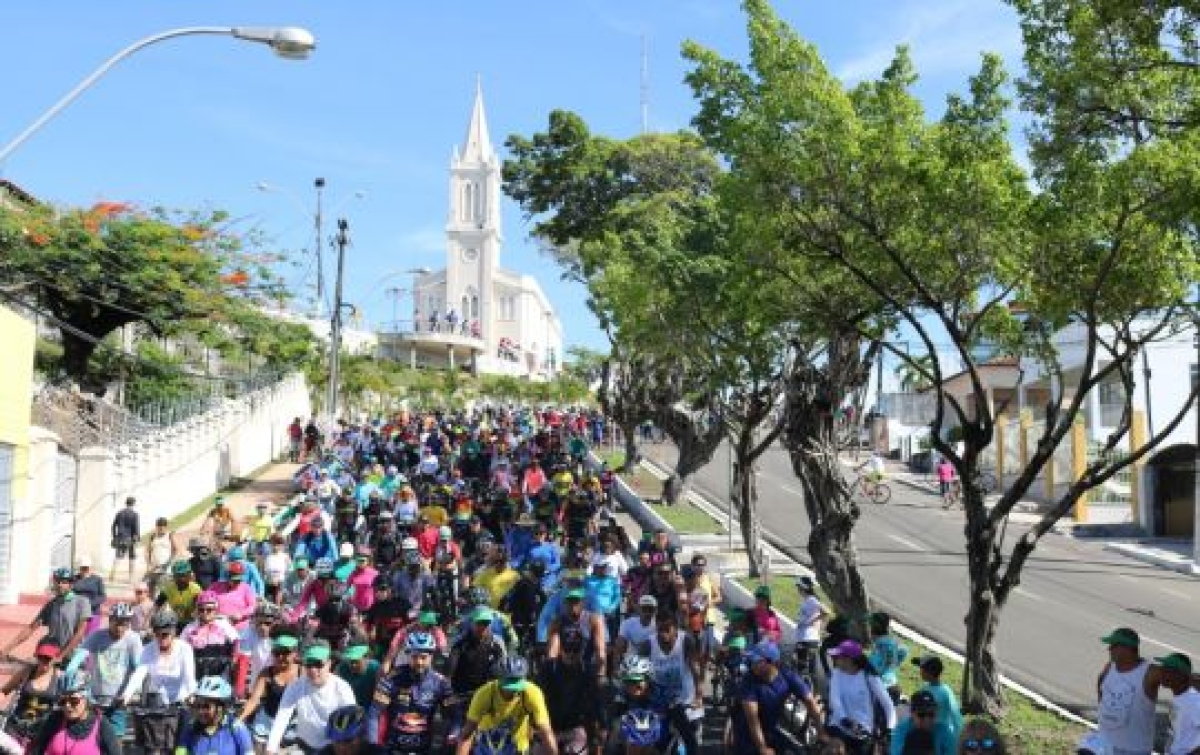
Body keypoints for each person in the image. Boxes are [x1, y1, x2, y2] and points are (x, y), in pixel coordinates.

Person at [729, 640, 823, 755]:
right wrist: (762, 747)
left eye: (756, 661)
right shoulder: (748, 681)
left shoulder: (787, 674)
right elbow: (752, 719)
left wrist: (821, 733)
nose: (752, 664)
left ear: (771, 662)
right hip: (747, 731)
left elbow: (809, 701)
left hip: (771, 729)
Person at [1077, 627, 1158, 755]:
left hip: (1134, 750)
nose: (1109, 649)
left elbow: (1179, 679)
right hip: (1105, 745)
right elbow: (1101, 681)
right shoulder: (1110, 666)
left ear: (1127, 648)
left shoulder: (1149, 672)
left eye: (1114, 645)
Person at [266, 641, 358, 753]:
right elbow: (282, 717)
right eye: (309, 664)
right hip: (304, 745)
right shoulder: (295, 686)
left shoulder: (342, 688)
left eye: (318, 664)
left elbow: (350, 726)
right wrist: (270, 749)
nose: (313, 670)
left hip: (333, 747)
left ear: (329, 663)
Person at [369, 632, 454, 753]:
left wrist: (451, 737)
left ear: (432, 657)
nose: (419, 662)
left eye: (423, 657)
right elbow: (374, 713)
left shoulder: (441, 683)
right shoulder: (391, 678)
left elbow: (454, 715)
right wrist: (373, 745)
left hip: (424, 749)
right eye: (414, 657)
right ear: (408, 655)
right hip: (393, 748)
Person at [456, 656, 558, 755]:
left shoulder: (533, 693)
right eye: (508, 686)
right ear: (498, 678)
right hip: (486, 748)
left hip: (518, 749)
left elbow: (546, 732)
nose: (512, 691)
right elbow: (467, 734)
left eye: (516, 685)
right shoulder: (484, 694)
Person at [0, 567, 91, 662]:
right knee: (36, 666)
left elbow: (80, 633)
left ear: (71, 584)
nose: (60, 585)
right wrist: (7, 649)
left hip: (72, 649)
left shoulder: (82, 602)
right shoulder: (51, 604)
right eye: (57, 581)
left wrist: (61, 656)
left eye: (64, 582)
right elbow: (31, 628)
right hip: (52, 646)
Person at [80, 603, 142, 737]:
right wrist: (69, 671)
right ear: (110, 620)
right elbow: (80, 654)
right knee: (94, 737)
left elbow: (139, 668)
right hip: (96, 697)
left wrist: (129, 693)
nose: (120, 628)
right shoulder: (98, 636)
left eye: (125, 624)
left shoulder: (133, 639)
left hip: (118, 699)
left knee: (115, 739)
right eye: (117, 623)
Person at [26, 669, 123, 755]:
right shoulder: (55, 719)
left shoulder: (101, 725)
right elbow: (37, 749)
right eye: (63, 701)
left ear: (86, 699)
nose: (67, 706)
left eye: (74, 701)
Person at [648, 610, 703, 755]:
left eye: (667, 630)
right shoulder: (648, 644)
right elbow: (640, 672)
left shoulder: (686, 641)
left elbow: (695, 670)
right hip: (659, 700)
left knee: (692, 740)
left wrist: (698, 696)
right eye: (660, 629)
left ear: (676, 627)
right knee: (658, 740)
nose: (663, 634)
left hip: (684, 699)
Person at [826, 639, 895, 752]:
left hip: (863, 731)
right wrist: (844, 720)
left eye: (837, 657)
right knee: (835, 749)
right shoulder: (836, 673)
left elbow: (888, 705)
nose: (834, 659)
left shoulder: (869, 677)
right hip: (839, 725)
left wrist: (889, 730)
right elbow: (835, 699)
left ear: (849, 660)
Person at [238, 634, 300, 751]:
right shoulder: (266, 673)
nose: (281, 656)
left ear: (295, 653)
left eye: (285, 652)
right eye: (277, 653)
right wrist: (239, 719)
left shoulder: (303, 672)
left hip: (293, 724)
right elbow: (253, 700)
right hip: (267, 721)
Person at [123, 608, 197, 706]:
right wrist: (127, 694)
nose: (161, 638)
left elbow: (189, 677)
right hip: (157, 702)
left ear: (174, 632)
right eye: (157, 634)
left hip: (180, 701)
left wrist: (192, 694)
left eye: (165, 635)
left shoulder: (185, 648)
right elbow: (139, 674)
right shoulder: (148, 649)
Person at [0, 640, 61, 747]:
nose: (43, 661)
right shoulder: (26, 672)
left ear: (56, 658)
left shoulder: (60, 678)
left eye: (48, 658)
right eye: (41, 657)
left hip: (40, 732)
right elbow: (4, 691)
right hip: (15, 727)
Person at [177, 675, 254, 754]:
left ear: (221, 707)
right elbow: (180, 752)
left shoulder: (236, 728)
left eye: (206, 706)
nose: (200, 711)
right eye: (198, 705)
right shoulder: (191, 727)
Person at [1149, 652, 1200, 755]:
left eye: (1167, 670)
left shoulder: (1194, 701)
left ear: (1181, 675)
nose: (1161, 672)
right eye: (1162, 669)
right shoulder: (1179, 697)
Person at [913, 655, 963, 744]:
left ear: (930, 672)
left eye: (922, 669)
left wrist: (960, 740)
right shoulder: (924, 688)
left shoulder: (946, 692)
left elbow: (956, 717)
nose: (920, 672)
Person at [890, 689, 955, 755]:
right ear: (911, 713)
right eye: (921, 715)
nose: (927, 720)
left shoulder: (944, 732)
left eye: (931, 714)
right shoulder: (901, 731)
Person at [868, 612, 908, 703]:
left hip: (879, 689)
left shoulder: (879, 648)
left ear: (873, 629)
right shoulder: (893, 643)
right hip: (893, 684)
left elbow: (875, 669)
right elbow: (904, 651)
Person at [794, 576, 827, 684]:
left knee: (804, 669)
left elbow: (825, 612)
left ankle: (810, 695)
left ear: (803, 587)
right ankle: (811, 694)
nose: (797, 589)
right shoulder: (807, 600)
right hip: (805, 638)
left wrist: (809, 621)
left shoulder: (811, 600)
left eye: (798, 586)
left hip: (807, 639)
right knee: (807, 670)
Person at [335, 643, 381, 709]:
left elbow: (381, 700)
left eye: (356, 661)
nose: (353, 665)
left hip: (369, 711)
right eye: (350, 661)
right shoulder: (341, 668)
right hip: (347, 710)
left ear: (366, 658)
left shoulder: (376, 669)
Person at [157, 559, 202, 624]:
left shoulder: (196, 589)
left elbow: (199, 608)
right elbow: (156, 606)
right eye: (178, 576)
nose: (181, 579)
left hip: (192, 622)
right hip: (174, 622)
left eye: (184, 575)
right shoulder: (168, 588)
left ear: (189, 575)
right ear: (174, 576)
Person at [72, 557, 107, 634]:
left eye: (86, 568)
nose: (84, 570)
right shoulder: (74, 578)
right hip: (77, 613)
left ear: (90, 567)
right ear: (79, 568)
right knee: (76, 636)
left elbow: (103, 596)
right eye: (82, 567)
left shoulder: (97, 579)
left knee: (90, 637)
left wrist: (90, 604)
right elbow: (70, 593)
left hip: (93, 612)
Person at [144, 516, 178, 590]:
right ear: (156, 527)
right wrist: (148, 564)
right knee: (150, 590)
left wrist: (168, 563)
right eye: (159, 528)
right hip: (153, 569)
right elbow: (147, 551)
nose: (161, 530)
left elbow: (176, 550)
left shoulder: (170, 535)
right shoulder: (153, 536)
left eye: (162, 528)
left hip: (165, 570)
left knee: (162, 592)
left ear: (166, 527)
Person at [111, 495, 140, 581]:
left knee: (118, 556)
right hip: (130, 539)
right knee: (132, 557)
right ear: (133, 504)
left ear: (126, 503)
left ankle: (113, 574)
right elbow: (136, 528)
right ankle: (131, 578)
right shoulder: (134, 514)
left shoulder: (119, 513)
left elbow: (113, 526)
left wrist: (114, 537)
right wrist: (137, 538)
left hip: (120, 538)